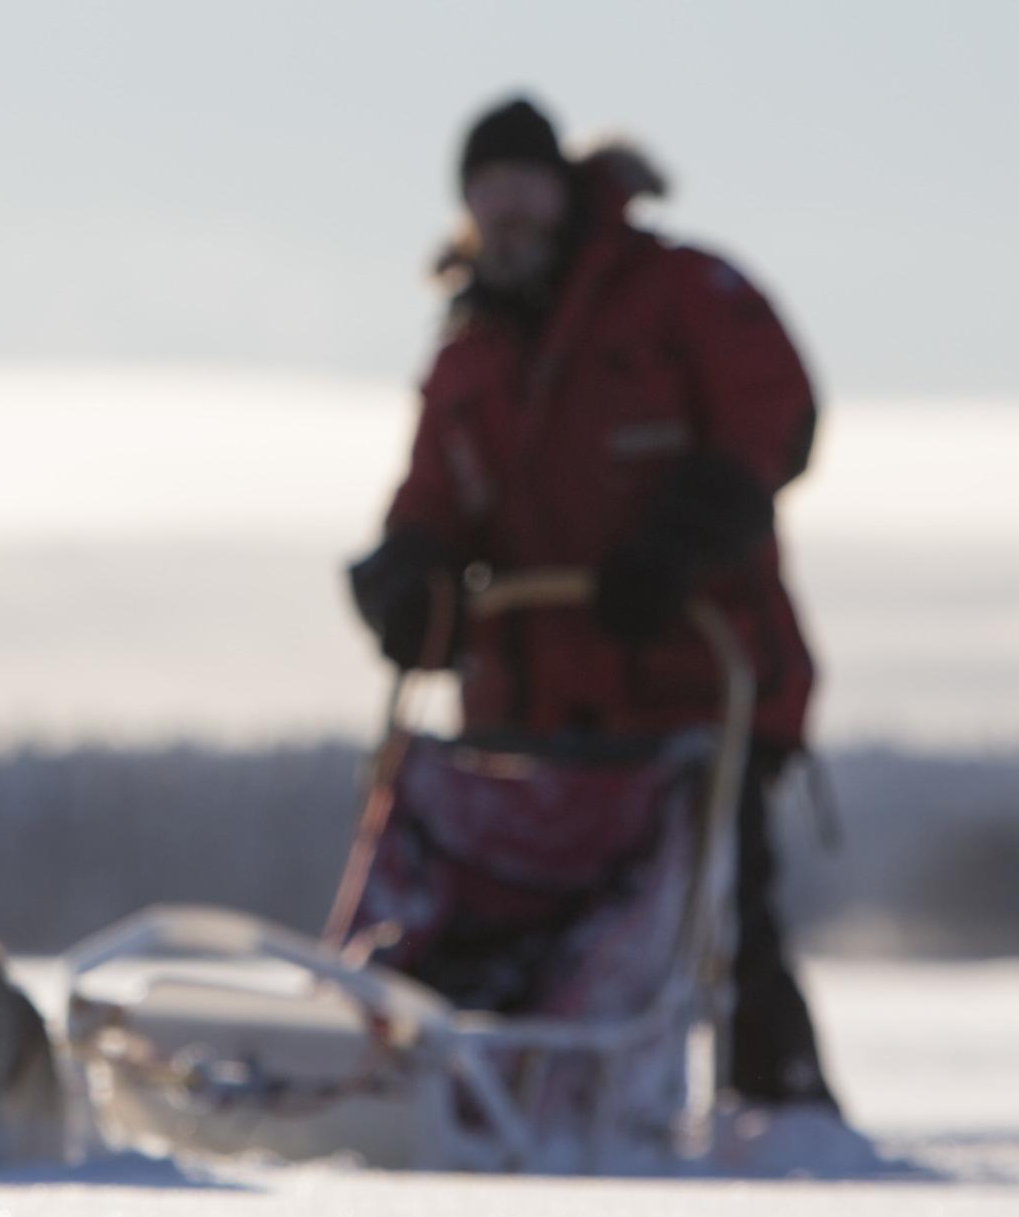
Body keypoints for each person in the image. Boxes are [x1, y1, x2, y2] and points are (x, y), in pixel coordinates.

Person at [345, 94, 838, 1112]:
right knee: (505, 931)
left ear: (563, 189)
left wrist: (675, 544)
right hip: (531, 722)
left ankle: (785, 1122)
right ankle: (483, 1104)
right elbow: (432, 499)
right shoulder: (468, 356)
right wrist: (407, 573)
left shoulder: (679, 292)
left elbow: (772, 418)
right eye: (486, 193)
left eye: (523, 185)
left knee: (723, 921)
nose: (507, 210)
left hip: (694, 688)